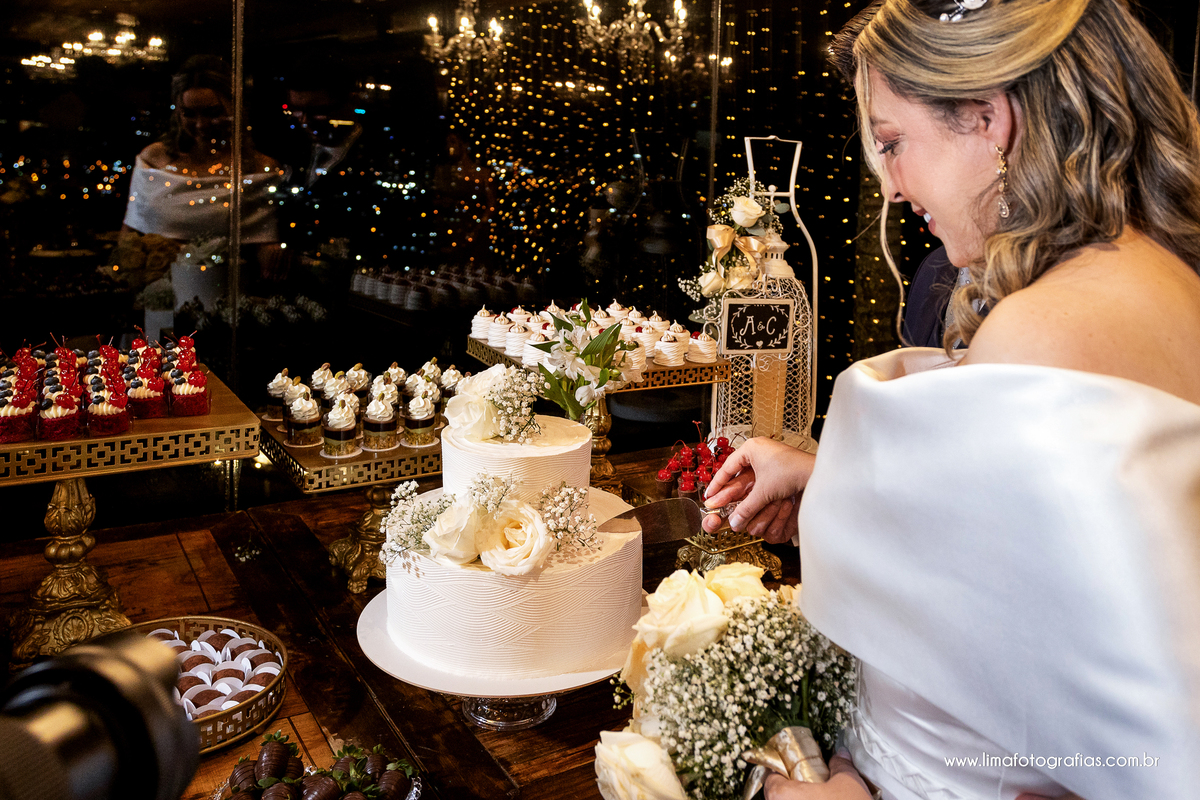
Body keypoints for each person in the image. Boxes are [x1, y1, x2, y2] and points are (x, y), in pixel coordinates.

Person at [703, 1, 1200, 798]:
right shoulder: (1171, 282)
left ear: (986, 117)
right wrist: (824, 478)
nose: (893, 188)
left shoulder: (1043, 334)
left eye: (894, 143)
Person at [121, 55, 286, 283]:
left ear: (235, 108)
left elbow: (264, 241)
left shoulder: (258, 168)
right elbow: (129, 237)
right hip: (156, 286)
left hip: (225, 288)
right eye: (189, 113)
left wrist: (274, 254)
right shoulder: (154, 159)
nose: (201, 125)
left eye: (212, 113)